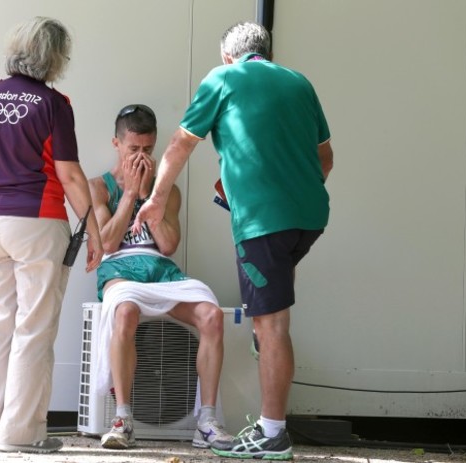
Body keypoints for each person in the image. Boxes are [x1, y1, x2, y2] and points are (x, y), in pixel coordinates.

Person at [133, 22, 334, 460]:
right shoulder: (299, 81)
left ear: (228, 56)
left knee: (272, 325)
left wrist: (155, 199)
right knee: (274, 300)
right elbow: (325, 157)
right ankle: (268, 341)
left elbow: (181, 143)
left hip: (264, 221)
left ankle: (273, 433)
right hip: (310, 217)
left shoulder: (222, 78)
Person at [0, 16, 103, 454]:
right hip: (38, 222)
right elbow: (71, 176)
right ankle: (21, 435)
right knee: (33, 330)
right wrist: (94, 231)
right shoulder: (53, 103)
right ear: (54, 55)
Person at [88, 104, 233, 451]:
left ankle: (207, 421)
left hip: (159, 268)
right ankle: (123, 419)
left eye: (148, 150)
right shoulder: (98, 187)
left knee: (211, 315)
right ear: (117, 144)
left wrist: (149, 197)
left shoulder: (168, 189)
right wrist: (128, 194)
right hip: (120, 268)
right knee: (124, 311)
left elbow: (168, 245)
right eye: (133, 149)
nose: (141, 157)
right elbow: (106, 242)